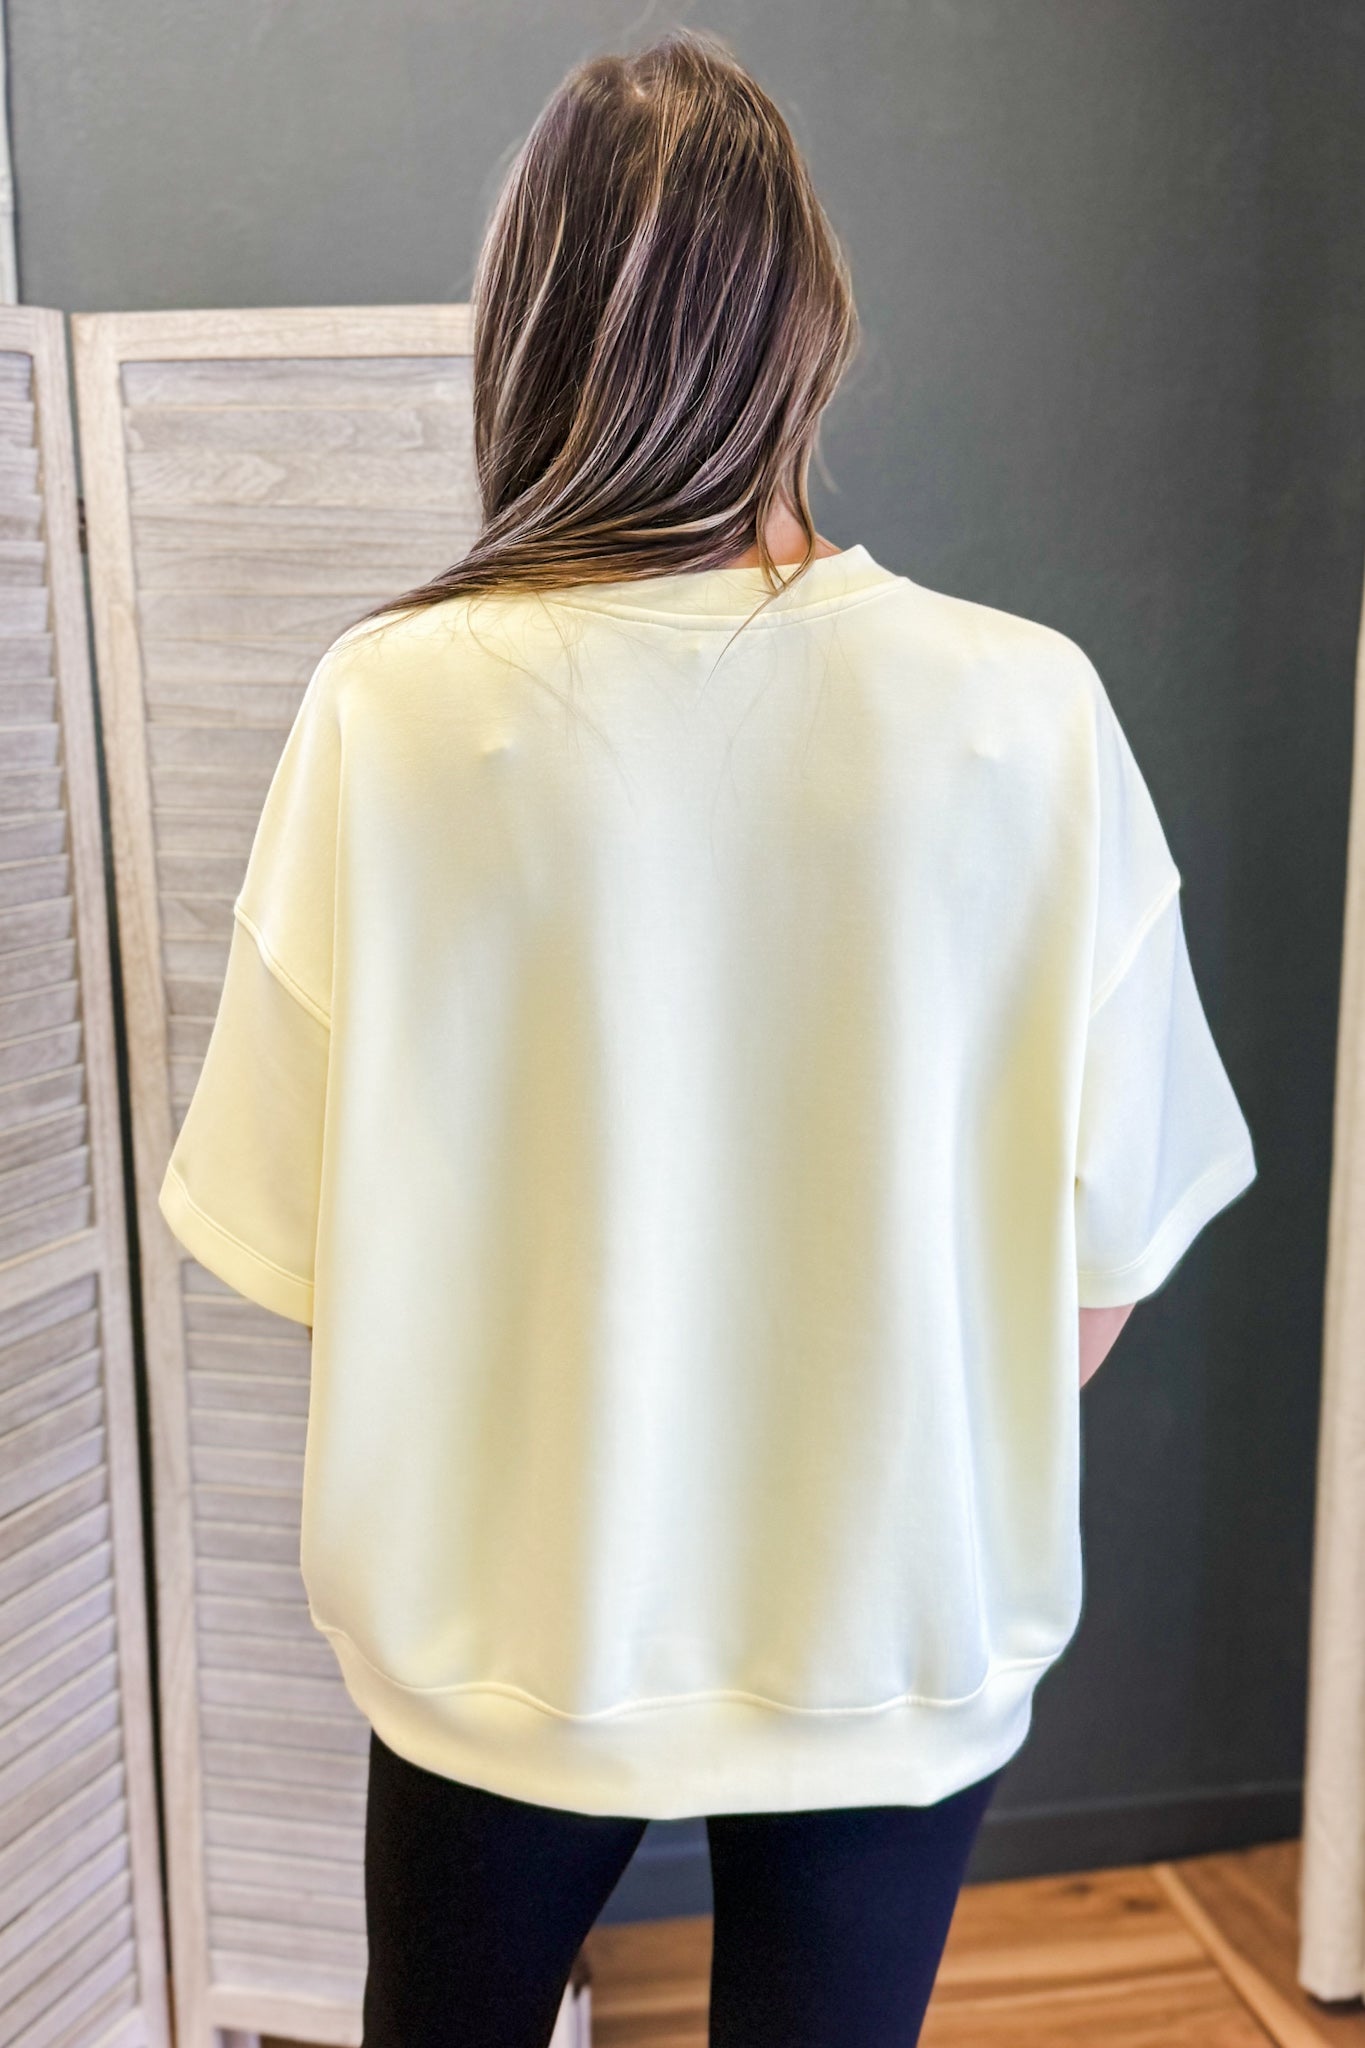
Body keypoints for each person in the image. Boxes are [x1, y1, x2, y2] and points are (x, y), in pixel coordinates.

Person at [156, 25, 1257, 2048]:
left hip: (498, 1628)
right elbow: (1088, 1283)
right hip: (892, 1628)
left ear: (524, 333)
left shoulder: (391, 709)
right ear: (812, 334)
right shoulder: (1025, 711)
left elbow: (310, 1252)